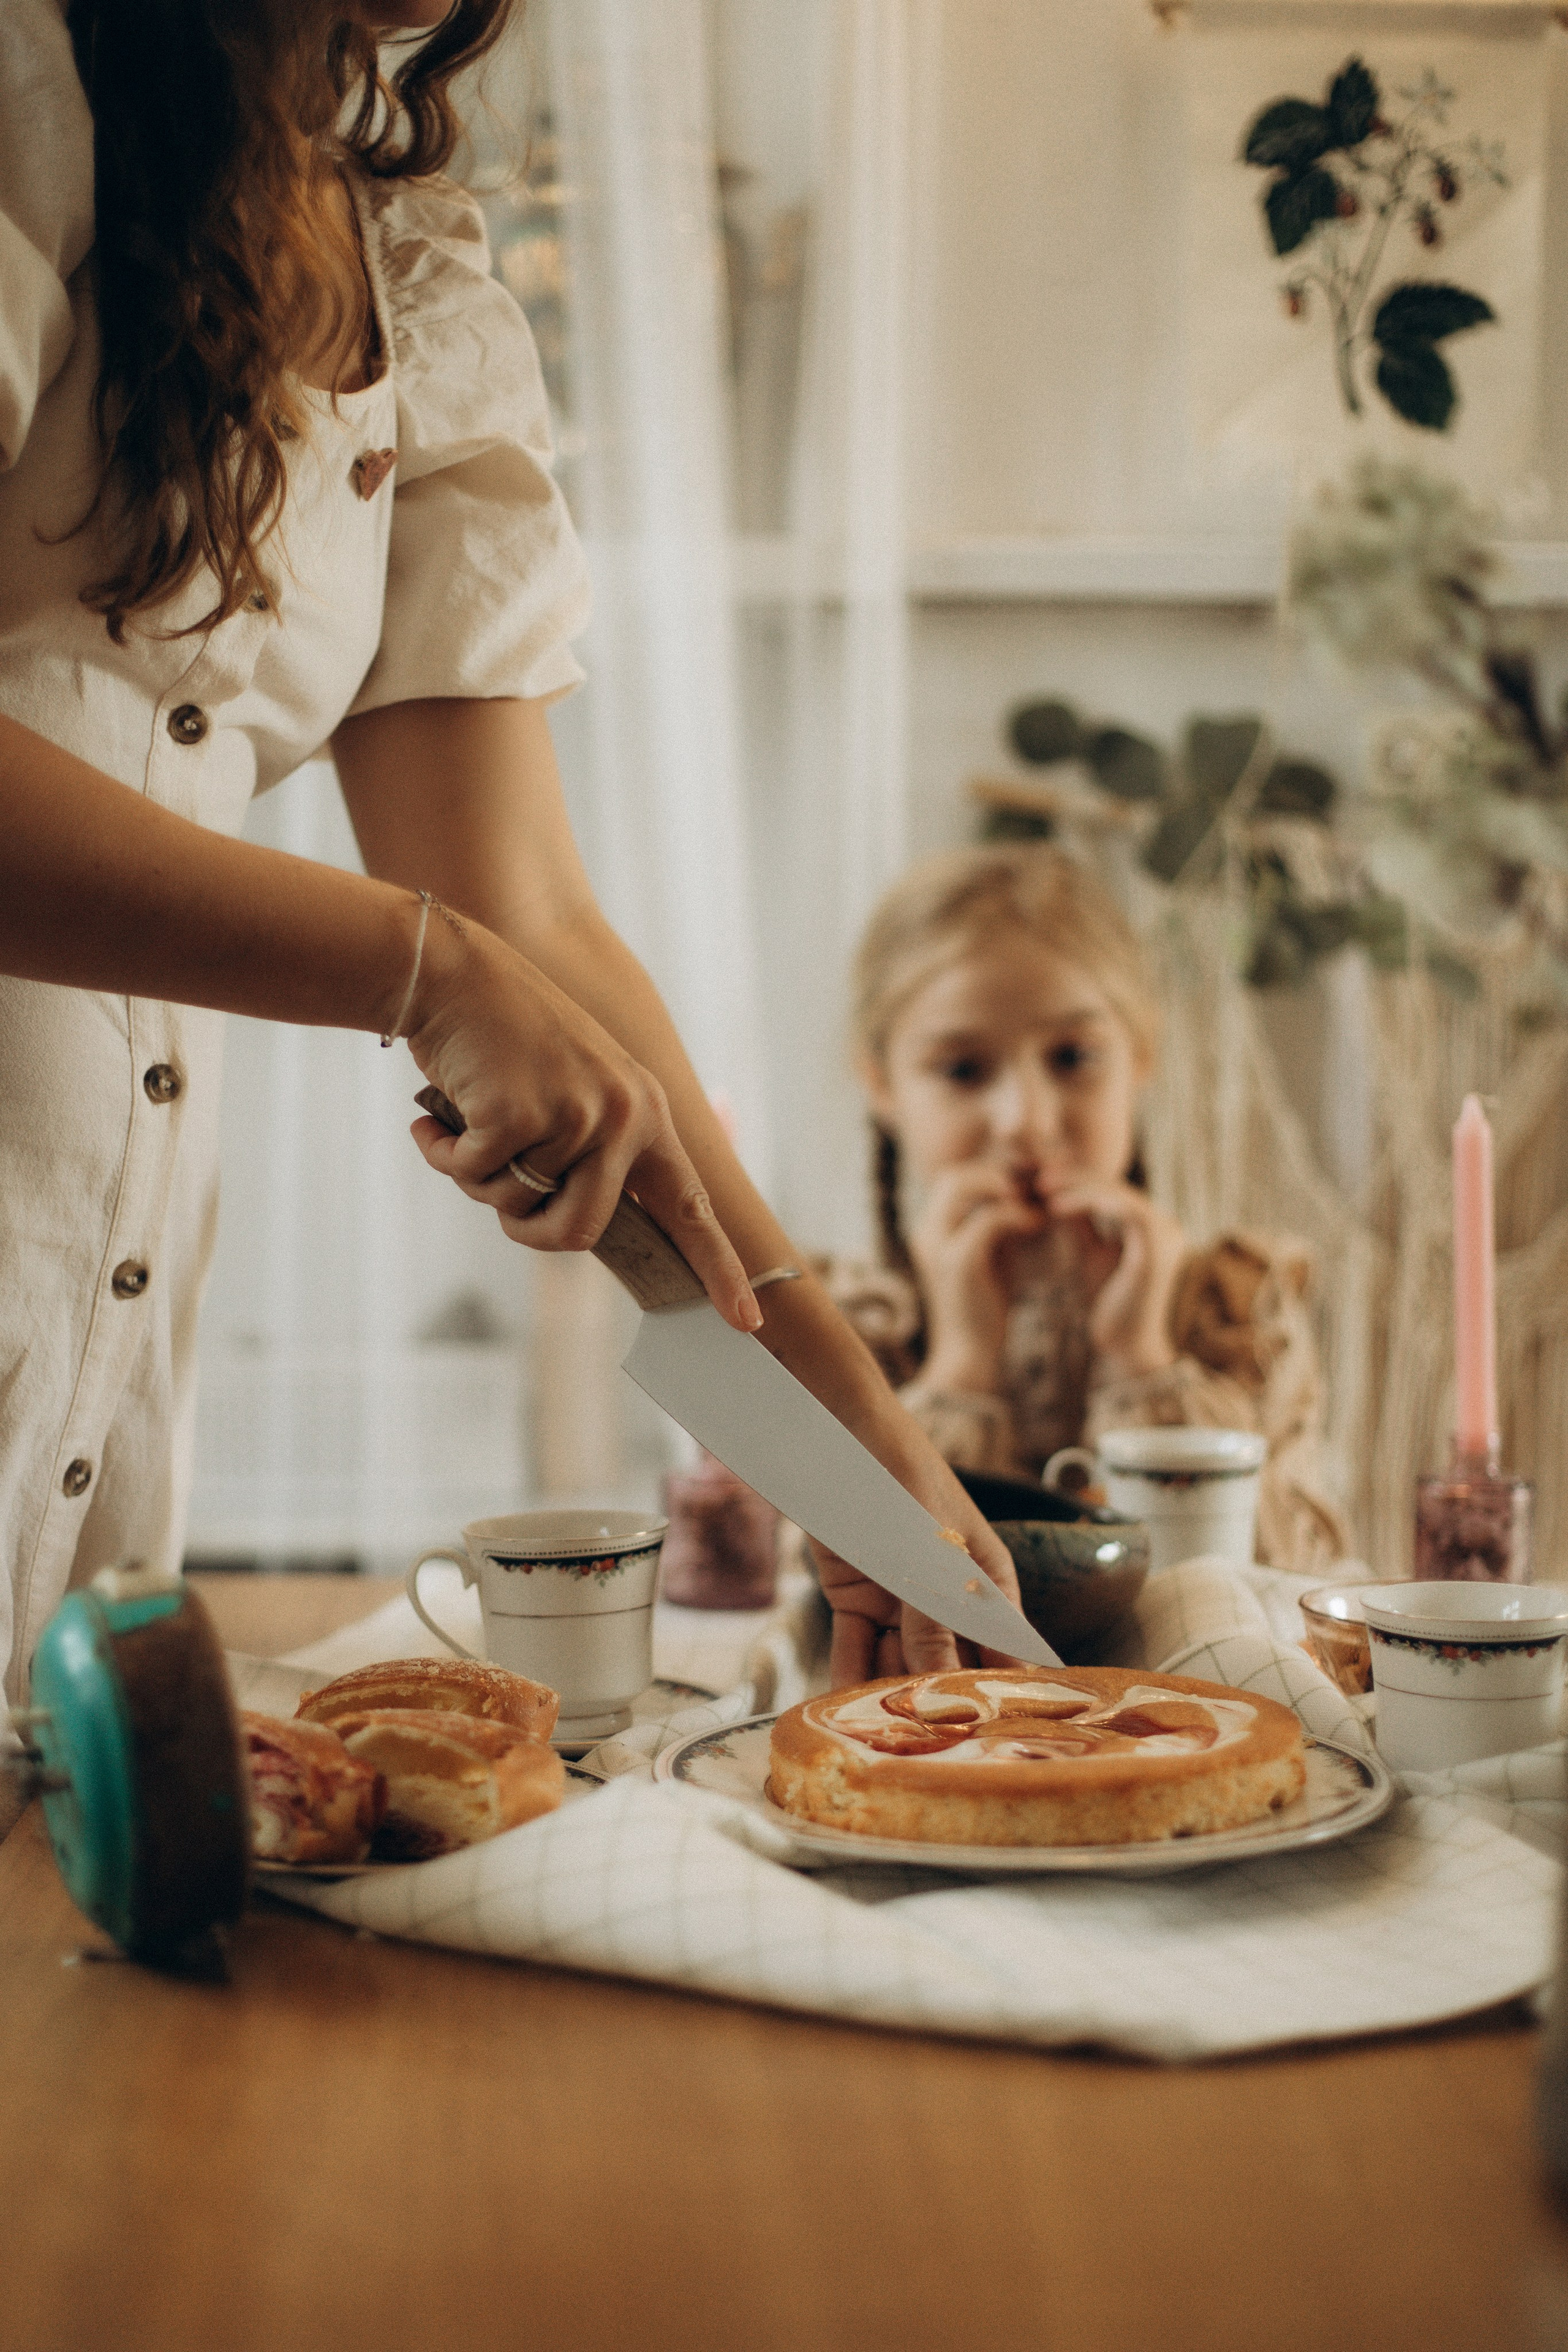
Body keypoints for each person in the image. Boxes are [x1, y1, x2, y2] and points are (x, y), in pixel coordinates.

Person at [0, 0, 1017, 1704]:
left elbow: (521, 906)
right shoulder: (25, 81)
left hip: (89, 1360)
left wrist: (847, 1428)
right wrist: (419, 971)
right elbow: (463, 949)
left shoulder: (402, 258)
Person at [818, 843, 1348, 1578]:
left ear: (1140, 1055)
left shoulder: (1239, 1315)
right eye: (963, 1070)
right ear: (881, 1085)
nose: (1025, 1120)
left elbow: (1284, 1583)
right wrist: (959, 1370)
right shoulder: (840, 1333)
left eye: (1071, 1058)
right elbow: (838, 1585)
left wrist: (1142, 1364)